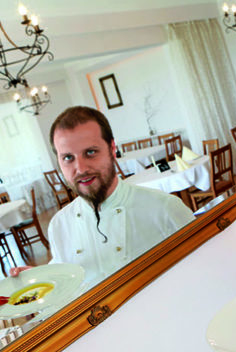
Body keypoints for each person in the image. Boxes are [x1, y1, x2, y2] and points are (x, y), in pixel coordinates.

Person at [12, 106, 194, 287]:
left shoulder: (164, 209)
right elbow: (65, 276)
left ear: (112, 149)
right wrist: (41, 278)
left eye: (90, 152)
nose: (81, 169)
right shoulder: (59, 224)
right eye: (68, 158)